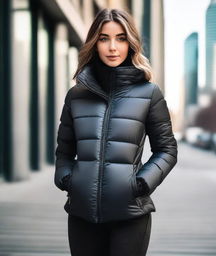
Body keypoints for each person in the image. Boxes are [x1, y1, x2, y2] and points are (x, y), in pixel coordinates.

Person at [54, 8, 178, 256]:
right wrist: (67, 179)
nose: (112, 47)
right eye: (104, 38)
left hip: (130, 214)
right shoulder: (76, 95)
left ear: (130, 43)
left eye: (120, 38)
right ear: (94, 43)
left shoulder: (149, 93)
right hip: (82, 215)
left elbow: (167, 150)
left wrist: (141, 183)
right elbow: (64, 151)